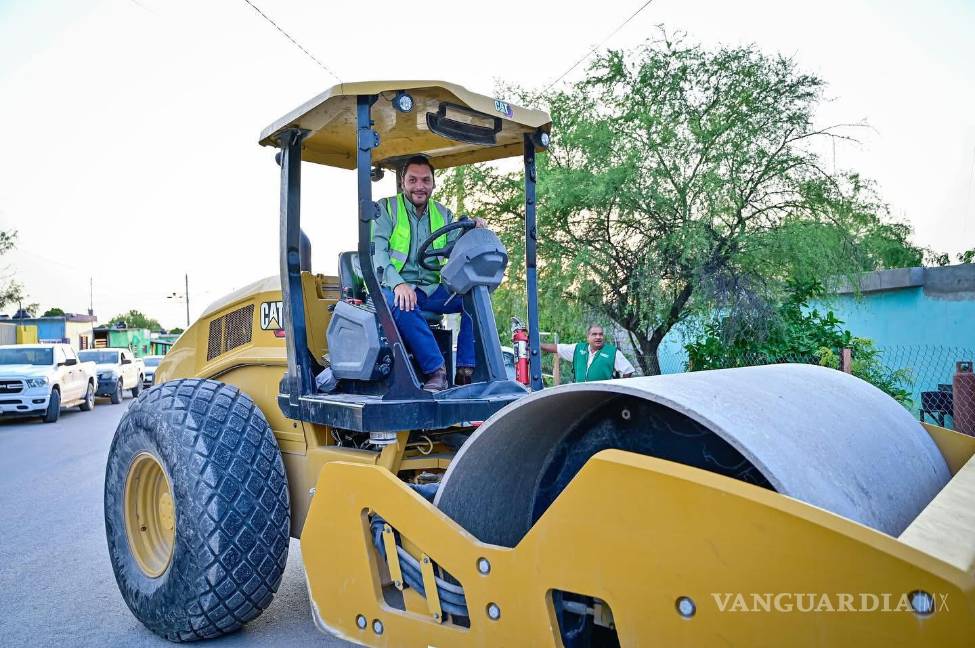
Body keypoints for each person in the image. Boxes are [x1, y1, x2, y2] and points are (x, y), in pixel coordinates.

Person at [371, 155, 486, 391]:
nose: (419, 186)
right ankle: (437, 370)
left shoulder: (443, 214)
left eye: (425, 180)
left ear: (433, 183)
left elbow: (457, 249)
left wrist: (472, 230)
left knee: (473, 297)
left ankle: (465, 371)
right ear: (403, 182)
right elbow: (378, 254)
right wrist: (398, 284)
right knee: (403, 302)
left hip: (431, 290)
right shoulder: (387, 209)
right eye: (413, 180)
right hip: (392, 287)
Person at [541, 324, 636, 382]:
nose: (598, 337)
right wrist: (537, 345)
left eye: (600, 334)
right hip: (581, 395)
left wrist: (617, 391)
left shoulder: (612, 352)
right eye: (594, 334)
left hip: (602, 397)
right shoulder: (578, 348)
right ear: (588, 337)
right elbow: (557, 348)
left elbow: (628, 370)